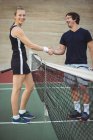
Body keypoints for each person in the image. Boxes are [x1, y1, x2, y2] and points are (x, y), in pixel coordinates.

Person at [9, 6, 53, 124]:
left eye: (24, 15)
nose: (22, 17)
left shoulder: (18, 28)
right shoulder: (17, 29)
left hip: (23, 61)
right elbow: (31, 45)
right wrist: (45, 49)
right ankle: (15, 117)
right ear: (15, 16)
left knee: (30, 86)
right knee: (17, 89)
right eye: (20, 15)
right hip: (19, 62)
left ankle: (22, 111)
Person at [52, 12, 93, 121]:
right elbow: (61, 51)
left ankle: (86, 112)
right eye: (66, 18)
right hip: (68, 66)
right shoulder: (65, 35)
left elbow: (91, 48)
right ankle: (77, 110)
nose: (67, 20)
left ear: (75, 19)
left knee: (84, 88)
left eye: (69, 18)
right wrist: (53, 51)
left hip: (82, 66)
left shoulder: (85, 33)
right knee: (73, 87)